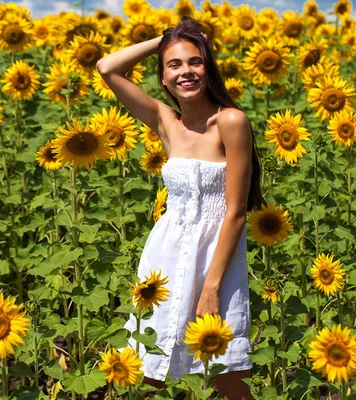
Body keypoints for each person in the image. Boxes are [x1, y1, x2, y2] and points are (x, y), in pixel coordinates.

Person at [96, 17, 263, 400]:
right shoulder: (165, 122)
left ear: (209, 66)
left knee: (227, 376)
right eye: (174, 65)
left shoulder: (231, 122)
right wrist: (168, 39)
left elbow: (236, 212)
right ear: (163, 77)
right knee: (150, 365)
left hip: (215, 259)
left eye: (195, 61)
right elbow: (107, 68)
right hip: (165, 257)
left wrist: (212, 286)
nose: (186, 71)